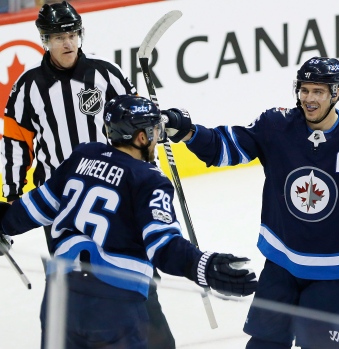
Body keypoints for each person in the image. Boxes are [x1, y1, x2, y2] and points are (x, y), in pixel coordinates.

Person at [162, 56, 339, 349]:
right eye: (304, 90)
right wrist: (188, 132)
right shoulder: (276, 125)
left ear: (336, 93)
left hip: (333, 273)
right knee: (263, 345)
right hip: (281, 264)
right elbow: (227, 147)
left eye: (318, 91)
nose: (309, 99)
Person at [0, 95, 257, 349]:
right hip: (113, 302)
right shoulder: (148, 179)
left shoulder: (83, 156)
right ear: (142, 138)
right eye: (155, 131)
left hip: (59, 298)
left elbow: (33, 208)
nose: (158, 137)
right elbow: (163, 246)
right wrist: (204, 266)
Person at [0, 2, 176, 348]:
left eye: (72, 34)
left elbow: (139, 123)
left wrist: (147, 172)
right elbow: (16, 145)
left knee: (137, 279)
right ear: (44, 40)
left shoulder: (105, 73)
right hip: (61, 204)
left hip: (117, 194)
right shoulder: (28, 87)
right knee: (72, 285)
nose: (67, 43)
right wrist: (11, 199)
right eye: (57, 37)